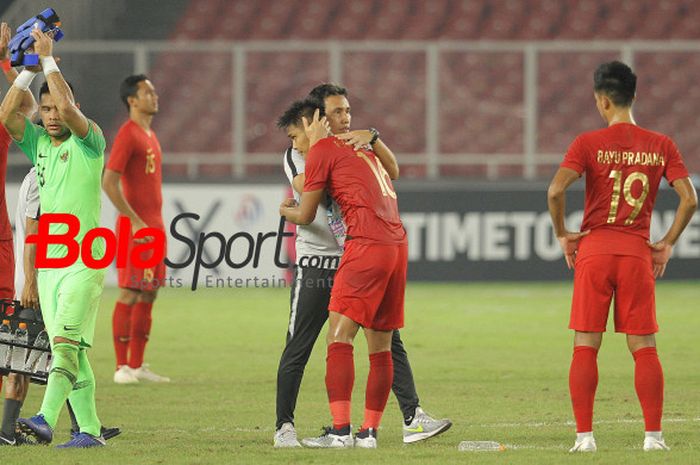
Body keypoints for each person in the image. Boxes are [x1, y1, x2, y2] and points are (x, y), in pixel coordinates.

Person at [273, 85, 450, 448]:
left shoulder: (350, 146)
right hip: (323, 261)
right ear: (317, 119)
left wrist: (289, 209)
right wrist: (334, 153)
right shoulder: (301, 153)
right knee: (307, 345)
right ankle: (286, 426)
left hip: (359, 251)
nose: (347, 118)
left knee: (372, 340)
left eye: (348, 111)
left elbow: (309, 206)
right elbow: (316, 190)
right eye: (337, 112)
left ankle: (384, 422)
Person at [547, 61, 697, 453]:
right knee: (644, 346)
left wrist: (563, 235)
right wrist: (666, 242)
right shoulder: (661, 144)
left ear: (602, 101)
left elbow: (555, 192)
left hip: (595, 251)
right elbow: (689, 199)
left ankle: (584, 438)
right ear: (634, 96)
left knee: (586, 344)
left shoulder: (586, 143)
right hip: (636, 253)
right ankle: (653, 437)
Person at [0, 27, 108, 448]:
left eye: (57, 108)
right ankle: (91, 432)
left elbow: (64, 101)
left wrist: (47, 60)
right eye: (43, 109)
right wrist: (25, 73)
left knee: (62, 342)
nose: (50, 114)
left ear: (74, 109)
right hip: (50, 266)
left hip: (85, 259)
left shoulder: (90, 142)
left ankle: (45, 418)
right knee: (75, 351)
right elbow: (8, 115)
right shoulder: (39, 143)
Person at [103, 74, 169, 384]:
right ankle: (121, 368)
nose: (154, 96)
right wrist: (135, 220)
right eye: (147, 92)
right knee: (130, 291)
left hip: (155, 227)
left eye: (153, 92)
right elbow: (109, 181)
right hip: (137, 230)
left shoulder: (149, 134)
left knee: (149, 293)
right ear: (132, 100)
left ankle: (137, 364)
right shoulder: (127, 134)